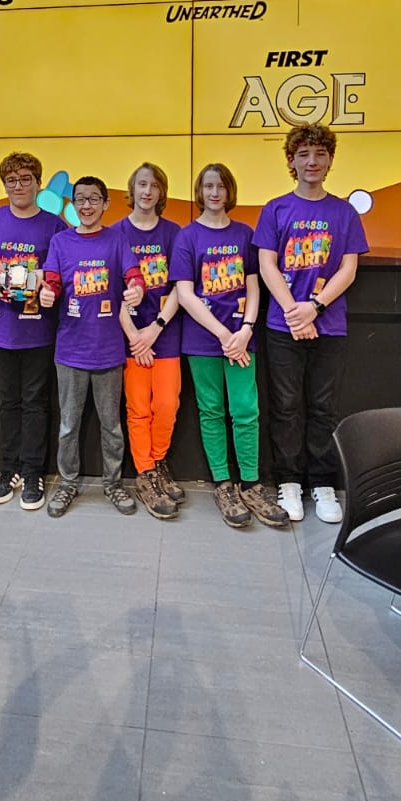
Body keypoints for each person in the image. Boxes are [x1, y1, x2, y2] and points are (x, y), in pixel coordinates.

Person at [254, 124, 369, 523]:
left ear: (330, 159)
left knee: (323, 408)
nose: (312, 162)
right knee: (285, 407)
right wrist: (294, 311)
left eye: (319, 154)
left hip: (329, 326)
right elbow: (267, 265)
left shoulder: (344, 212)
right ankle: (288, 482)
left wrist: (315, 308)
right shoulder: (275, 209)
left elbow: (348, 269)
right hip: (282, 326)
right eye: (303, 154)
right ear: (291, 161)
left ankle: (322, 484)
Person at [170, 163, 288, 531]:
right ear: (199, 191)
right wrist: (224, 335)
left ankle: (251, 485)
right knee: (211, 411)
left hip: (242, 341)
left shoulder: (244, 234)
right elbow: (185, 294)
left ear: (229, 190)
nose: (214, 192)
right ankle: (223, 485)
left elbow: (254, 287)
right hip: (204, 341)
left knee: (246, 410)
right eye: (208, 186)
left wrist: (246, 329)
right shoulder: (187, 237)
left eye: (221, 186)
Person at [0, 151, 64, 510]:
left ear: (38, 183)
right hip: (0, 329)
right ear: (4, 184)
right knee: (8, 402)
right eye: (11, 180)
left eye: (25, 179)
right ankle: (9, 469)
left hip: (38, 330)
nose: (18, 186)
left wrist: (44, 283)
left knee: (35, 403)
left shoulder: (55, 226)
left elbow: (60, 274)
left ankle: (33, 471)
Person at [40, 176, 144, 518]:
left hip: (108, 350)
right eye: (80, 199)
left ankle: (113, 484)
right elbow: (52, 282)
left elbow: (134, 276)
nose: (86, 205)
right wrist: (47, 294)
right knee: (68, 425)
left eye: (94, 199)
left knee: (111, 425)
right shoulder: (60, 242)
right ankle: (67, 483)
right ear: (73, 204)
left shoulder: (117, 239)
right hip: (70, 351)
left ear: (105, 204)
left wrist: (136, 290)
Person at [119, 162, 185, 519]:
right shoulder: (116, 233)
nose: (147, 191)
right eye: (141, 184)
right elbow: (110, 290)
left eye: (154, 185)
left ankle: (158, 462)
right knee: (138, 408)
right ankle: (145, 473)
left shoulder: (174, 233)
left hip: (165, 333)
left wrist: (155, 329)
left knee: (167, 405)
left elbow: (180, 288)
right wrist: (135, 337)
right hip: (130, 339)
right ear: (133, 189)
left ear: (161, 192)